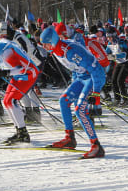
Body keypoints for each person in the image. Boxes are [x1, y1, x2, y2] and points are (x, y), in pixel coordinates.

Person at [40, 26, 105, 158]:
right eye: (43, 45)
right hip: (81, 78)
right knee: (64, 101)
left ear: (52, 41)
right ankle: (69, 138)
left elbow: (96, 71)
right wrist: (74, 87)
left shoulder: (69, 51)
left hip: (93, 78)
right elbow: (75, 69)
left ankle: (96, 146)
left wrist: (96, 93)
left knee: (80, 110)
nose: (44, 47)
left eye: (46, 44)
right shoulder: (57, 51)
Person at [0, 36, 40, 145]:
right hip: (17, 76)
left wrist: (6, 73)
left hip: (29, 74)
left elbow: (22, 68)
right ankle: (19, 131)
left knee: (11, 101)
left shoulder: (5, 51)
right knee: (6, 101)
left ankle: (23, 133)